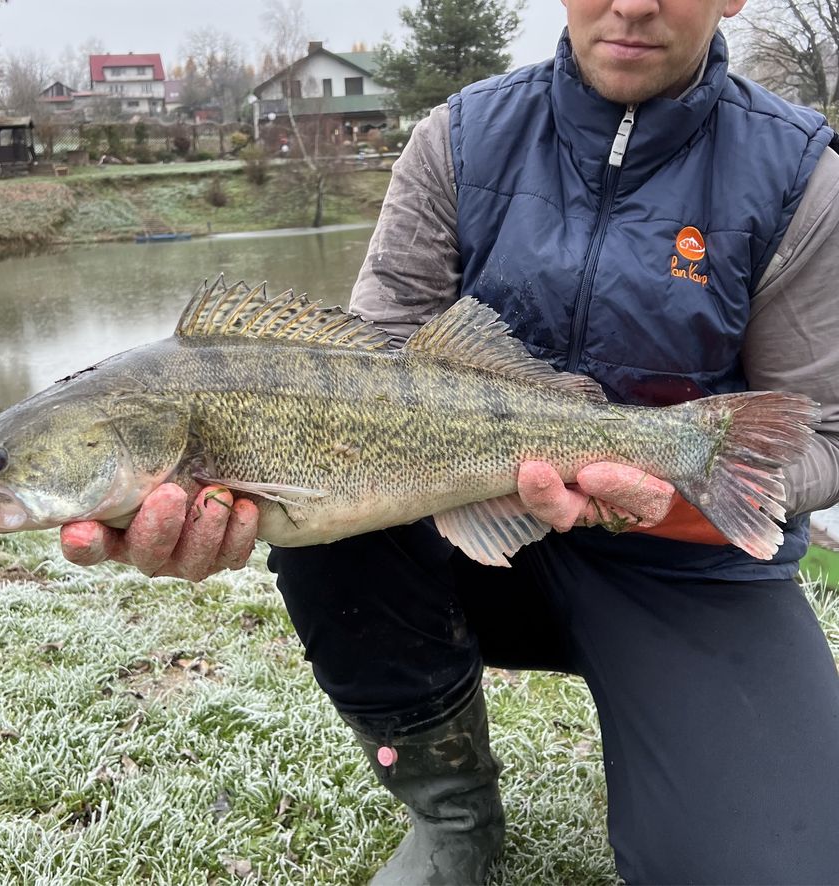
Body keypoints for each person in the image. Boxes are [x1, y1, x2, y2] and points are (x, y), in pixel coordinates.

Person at [60, 0, 839, 882]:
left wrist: (673, 487)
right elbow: (371, 361)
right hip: (472, 533)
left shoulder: (799, 176)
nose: (631, 3)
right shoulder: (457, 139)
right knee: (322, 512)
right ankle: (452, 812)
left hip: (687, 567)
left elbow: (829, 434)